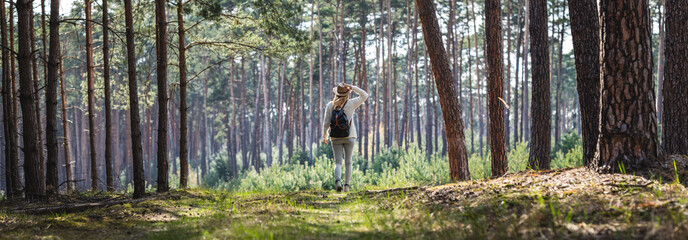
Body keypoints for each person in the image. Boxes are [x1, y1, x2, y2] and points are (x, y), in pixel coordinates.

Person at [323, 82, 369, 192]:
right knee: (348, 162)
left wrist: (325, 136)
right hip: (350, 136)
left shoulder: (330, 105)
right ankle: (346, 186)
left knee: (338, 161)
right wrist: (352, 87)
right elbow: (365, 95)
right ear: (347, 93)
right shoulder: (351, 103)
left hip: (335, 137)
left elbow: (326, 123)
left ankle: (338, 182)